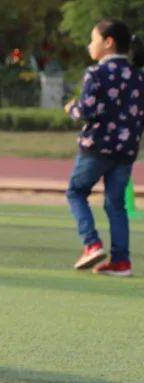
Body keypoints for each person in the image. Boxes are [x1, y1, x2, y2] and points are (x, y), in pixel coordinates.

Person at [64, 19, 144, 277]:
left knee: (76, 192)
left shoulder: (96, 74)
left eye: (93, 40)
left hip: (97, 148)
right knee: (116, 204)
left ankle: (91, 243)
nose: (90, 45)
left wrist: (71, 109)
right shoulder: (137, 75)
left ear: (108, 43)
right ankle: (121, 261)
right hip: (126, 150)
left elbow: (86, 111)